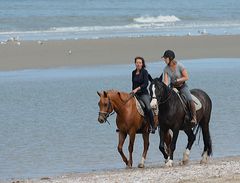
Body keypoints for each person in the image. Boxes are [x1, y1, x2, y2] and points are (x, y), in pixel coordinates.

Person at [162, 50, 197, 124]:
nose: (164, 60)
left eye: (165, 58)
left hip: (182, 86)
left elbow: (186, 77)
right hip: (173, 87)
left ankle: (194, 117)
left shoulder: (180, 66)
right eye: (164, 58)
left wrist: (178, 80)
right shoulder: (165, 69)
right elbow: (166, 81)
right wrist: (164, 88)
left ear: (170, 58)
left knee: (189, 99)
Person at [132, 56, 155, 133]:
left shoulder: (145, 72)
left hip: (143, 94)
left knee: (148, 108)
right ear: (135, 63)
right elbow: (133, 84)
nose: (138, 64)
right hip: (135, 94)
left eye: (140, 63)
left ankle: (152, 126)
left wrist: (137, 89)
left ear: (142, 64)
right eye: (137, 62)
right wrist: (132, 92)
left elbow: (146, 84)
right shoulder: (133, 72)